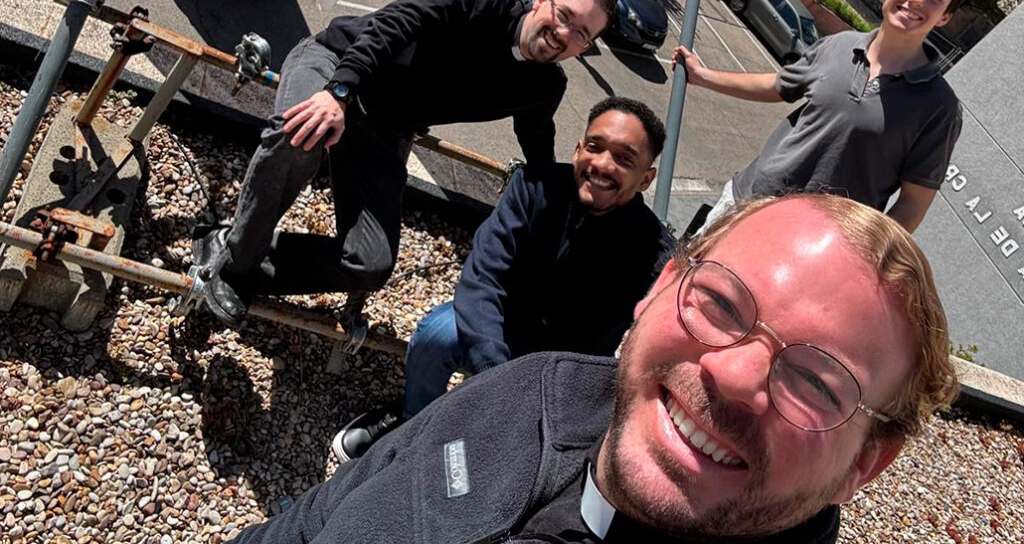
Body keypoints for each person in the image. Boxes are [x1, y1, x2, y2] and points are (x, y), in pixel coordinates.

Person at [226, 193, 958, 544]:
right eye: (723, 302)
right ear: (662, 287)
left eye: (817, 379)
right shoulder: (533, 389)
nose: (734, 374)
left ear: (869, 460)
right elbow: (314, 518)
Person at [192, 0, 616, 327]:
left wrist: (575, 204)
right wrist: (338, 92)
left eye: (582, 34)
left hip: (384, 127)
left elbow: (538, 142)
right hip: (340, 65)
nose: (564, 34)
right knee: (302, 133)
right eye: (564, 17)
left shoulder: (543, 87)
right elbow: (397, 22)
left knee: (370, 261)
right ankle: (233, 261)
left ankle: (233, 251)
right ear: (542, 0)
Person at [331, 96, 675, 462]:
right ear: (578, 149)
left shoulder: (654, 250)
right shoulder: (533, 187)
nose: (602, 165)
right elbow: (481, 279)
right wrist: (495, 377)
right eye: (595, 147)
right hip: (499, 329)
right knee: (437, 334)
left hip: (565, 365)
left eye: (624, 159)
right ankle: (414, 420)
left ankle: (504, 455)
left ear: (646, 178)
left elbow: (661, 340)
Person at [675, 0, 969, 233]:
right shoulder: (837, 45)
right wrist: (703, 77)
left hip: (814, 243)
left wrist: (857, 258)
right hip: (743, 202)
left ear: (944, 17)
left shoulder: (939, 107)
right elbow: (777, 86)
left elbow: (912, 206)